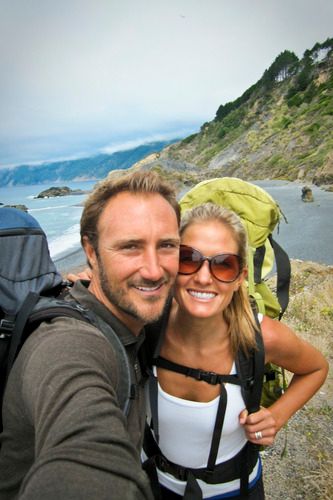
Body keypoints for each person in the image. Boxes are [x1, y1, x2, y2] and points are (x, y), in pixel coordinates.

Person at [0, 171, 181, 500]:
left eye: (167, 245)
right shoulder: (66, 343)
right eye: (130, 247)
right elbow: (83, 453)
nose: (155, 270)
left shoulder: (133, 315)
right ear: (92, 252)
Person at [142, 203, 328, 499]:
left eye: (223, 264)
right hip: (153, 485)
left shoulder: (261, 336)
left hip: (234, 491)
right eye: (188, 259)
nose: (204, 277)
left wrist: (277, 416)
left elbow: (316, 368)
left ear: (240, 276)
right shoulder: (146, 324)